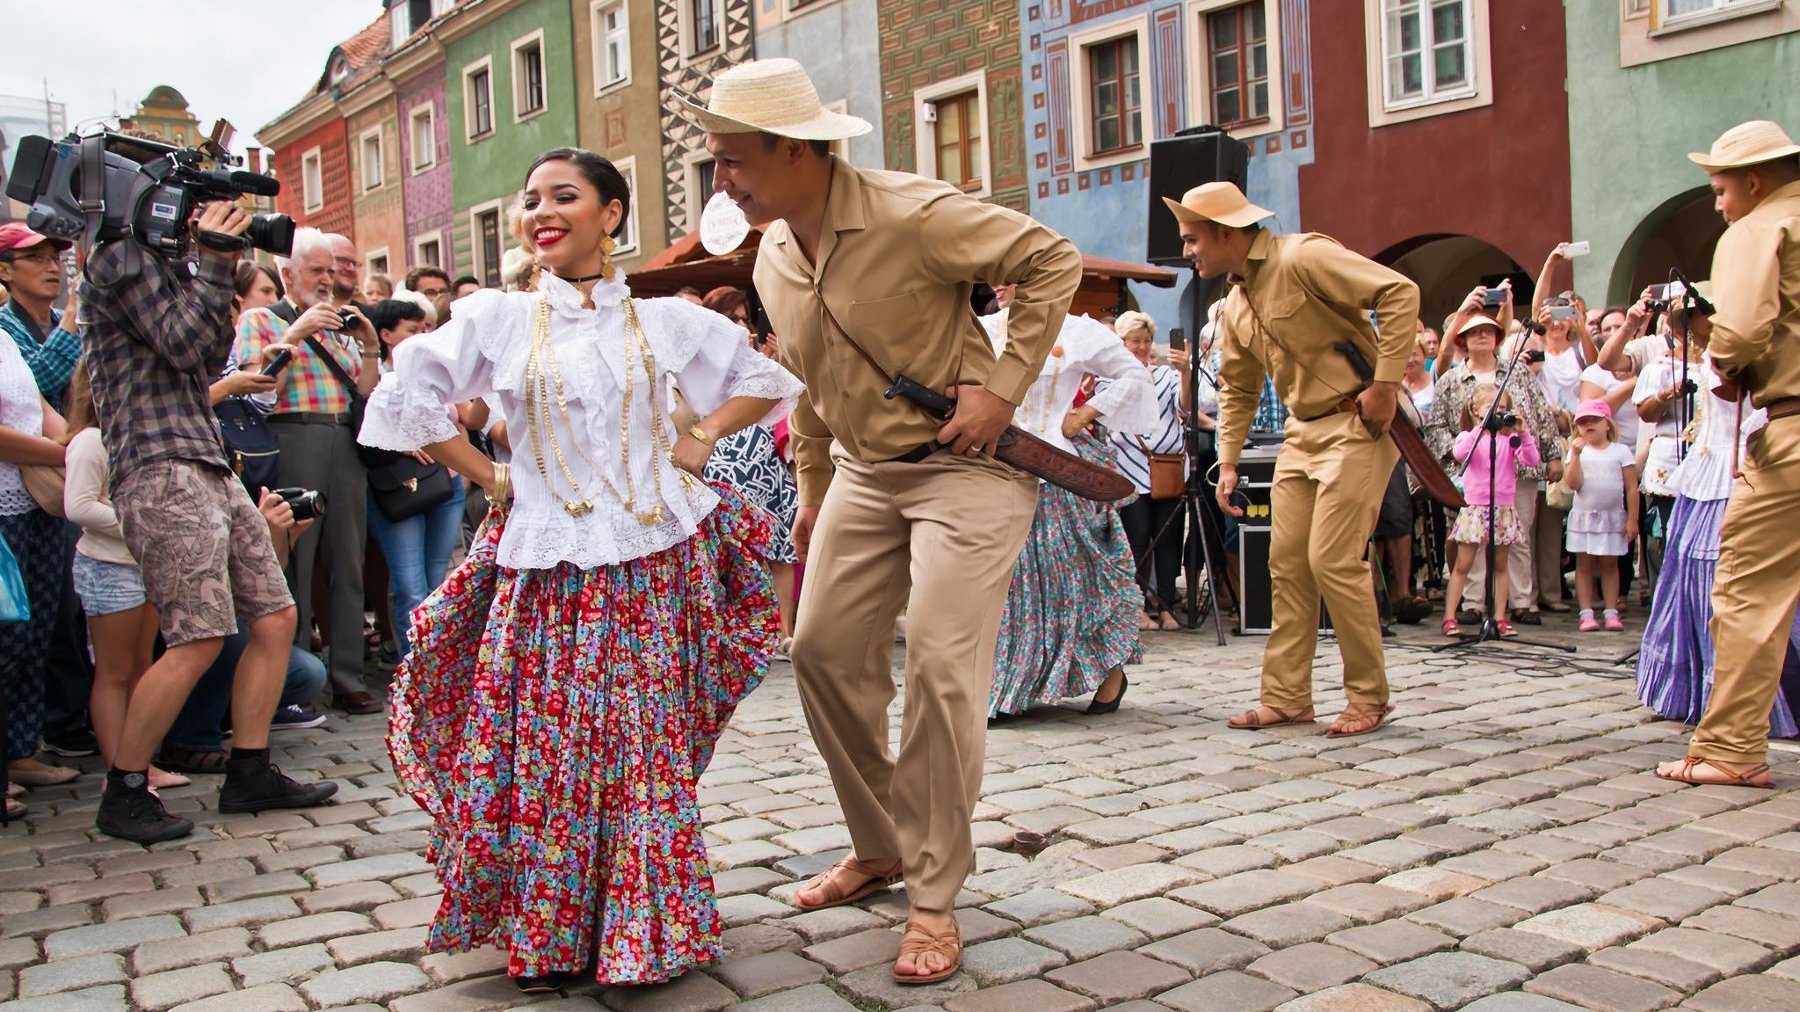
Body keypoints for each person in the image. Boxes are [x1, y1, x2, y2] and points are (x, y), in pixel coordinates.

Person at [363, 147, 801, 991]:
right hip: (546, 569)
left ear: (611, 214)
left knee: (639, 749)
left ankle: (645, 926)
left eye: (564, 196)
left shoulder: (662, 320)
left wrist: (697, 440)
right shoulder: (496, 319)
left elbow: (762, 378)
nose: (541, 212)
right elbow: (405, 396)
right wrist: (489, 475)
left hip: (646, 565)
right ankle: (555, 928)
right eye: (531, 200)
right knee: (554, 750)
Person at [682, 58, 1081, 985]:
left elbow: (1049, 259)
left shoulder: (913, 211)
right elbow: (811, 375)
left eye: (733, 160)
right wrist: (815, 483)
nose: (722, 181)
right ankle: (882, 845)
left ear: (794, 150)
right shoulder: (775, 252)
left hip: (965, 468)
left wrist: (1002, 387)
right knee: (820, 651)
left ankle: (935, 898)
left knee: (941, 667)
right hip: (861, 476)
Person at [81, 201, 338, 842]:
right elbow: (184, 342)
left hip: (205, 457)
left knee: (276, 617)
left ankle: (249, 771)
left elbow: (207, 354)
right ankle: (125, 790)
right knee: (197, 635)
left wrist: (208, 265)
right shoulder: (117, 258)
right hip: (159, 462)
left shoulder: (172, 267)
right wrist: (217, 259)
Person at [1169, 182, 1416, 738]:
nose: (1188, 250)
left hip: (1357, 422)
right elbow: (1237, 387)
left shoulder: (1303, 255)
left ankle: (1368, 698)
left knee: (1333, 560)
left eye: (1191, 238)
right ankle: (1287, 698)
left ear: (1226, 232)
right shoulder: (1233, 302)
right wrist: (1227, 462)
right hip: (1300, 435)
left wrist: (1385, 384)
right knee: (1285, 564)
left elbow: (1400, 293)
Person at [1657, 121, 1800, 788]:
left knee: (1748, 588)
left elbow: (1737, 331)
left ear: (1752, 181)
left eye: (1719, 189)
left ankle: (1732, 749)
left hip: (1794, 432)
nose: (1717, 204)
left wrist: (1730, 362)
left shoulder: (1758, 226)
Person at [981, 286, 1156, 717]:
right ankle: (1008, 686)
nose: (1000, 283)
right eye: (995, 274)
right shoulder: (980, 329)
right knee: (1009, 582)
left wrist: (1084, 413)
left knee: (1072, 577)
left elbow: (1135, 375)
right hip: (996, 469)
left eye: (1013, 273)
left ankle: (1108, 669)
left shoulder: (1077, 331)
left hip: (1058, 469)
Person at [235, 228, 381, 714]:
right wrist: (295, 333)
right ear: (287, 274)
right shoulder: (260, 319)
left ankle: (347, 676)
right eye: (316, 271)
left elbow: (363, 393)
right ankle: (291, 678)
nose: (326, 279)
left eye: (330, 270)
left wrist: (370, 346)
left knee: (349, 557)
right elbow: (256, 386)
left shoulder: (339, 325)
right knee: (294, 558)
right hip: (291, 433)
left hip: (344, 437)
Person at [60, 364, 187, 791]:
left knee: (141, 666)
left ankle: (139, 763)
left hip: (144, 565)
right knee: (113, 671)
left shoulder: (140, 441)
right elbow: (78, 506)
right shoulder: (90, 441)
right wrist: (141, 522)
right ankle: (118, 769)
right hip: (109, 567)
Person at [1425, 309, 1563, 626]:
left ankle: (1520, 601)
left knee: (1517, 537)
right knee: (1472, 544)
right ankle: (1474, 603)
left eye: (1488, 331)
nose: (1482, 337)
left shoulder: (1518, 373)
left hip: (1515, 471)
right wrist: (1456, 455)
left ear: (1498, 338)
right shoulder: (1451, 380)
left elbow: (1541, 414)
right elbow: (1436, 427)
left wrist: (1552, 454)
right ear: (1464, 340)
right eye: (1474, 333)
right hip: (1474, 474)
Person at [362, 298, 465, 660]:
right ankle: (414, 670)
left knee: (438, 581)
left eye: (426, 328)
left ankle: (437, 668)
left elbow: (465, 418)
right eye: (413, 329)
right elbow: (363, 424)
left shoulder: (440, 373)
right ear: (387, 335)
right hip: (399, 489)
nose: (424, 335)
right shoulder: (375, 375)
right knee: (409, 584)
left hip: (445, 484)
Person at [698, 286, 800, 650]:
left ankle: (783, 631)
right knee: (722, 552)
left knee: (779, 548)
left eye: (744, 317)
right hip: (722, 462)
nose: (742, 325)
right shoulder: (699, 360)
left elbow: (788, 394)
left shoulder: (758, 359)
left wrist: (778, 356)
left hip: (764, 461)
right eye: (732, 318)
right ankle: (725, 633)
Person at [0, 298, 75, 790]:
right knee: (5, 636)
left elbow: (40, 404)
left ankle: (19, 751)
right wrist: (65, 454)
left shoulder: (5, 340)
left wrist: (70, 443)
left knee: (35, 630)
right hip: (4, 506)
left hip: (36, 501)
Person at [1110, 311, 1193, 631]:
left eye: (1146, 341)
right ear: (1122, 344)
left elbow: (1186, 408)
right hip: (1129, 470)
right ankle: (1138, 605)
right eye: (1135, 341)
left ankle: (1167, 605)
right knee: (1137, 541)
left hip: (1167, 468)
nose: (1142, 347)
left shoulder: (1166, 376)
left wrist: (1184, 371)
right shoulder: (1110, 377)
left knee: (1168, 540)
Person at [1441, 384, 1538, 637]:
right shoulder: (1468, 437)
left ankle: (1499, 617)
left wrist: (1524, 432)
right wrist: (1479, 428)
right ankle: (1450, 616)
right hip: (1476, 508)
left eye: (1502, 408)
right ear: (1475, 410)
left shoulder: (1509, 440)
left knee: (1501, 565)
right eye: (1492, 408)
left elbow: (1532, 460)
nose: (1498, 413)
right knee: (1464, 564)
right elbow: (1460, 454)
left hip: (1503, 508)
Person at [1563, 400, 1638, 631]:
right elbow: (1573, 483)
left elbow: (1632, 487)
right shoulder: (1578, 452)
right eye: (1583, 422)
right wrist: (1574, 455)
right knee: (1584, 566)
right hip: (1585, 517)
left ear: (1608, 424)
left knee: (1609, 565)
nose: (1588, 425)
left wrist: (1632, 518)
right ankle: (1586, 612)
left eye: (1594, 420)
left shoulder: (1621, 451)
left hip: (1612, 517)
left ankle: (1611, 611)